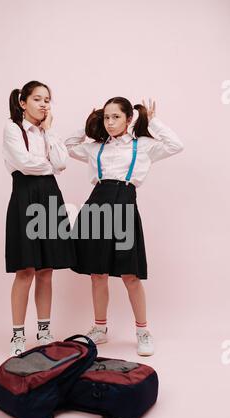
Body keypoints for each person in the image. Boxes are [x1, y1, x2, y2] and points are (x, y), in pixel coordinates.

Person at [65, 97, 184, 355]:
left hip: (125, 206)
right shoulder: (95, 148)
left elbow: (176, 145)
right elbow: (67, 146)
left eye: (115, 117)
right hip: (96, 206)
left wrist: (153, 121)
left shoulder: (143, 146)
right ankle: (100, 329)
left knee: (131, 275)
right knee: (98, 274)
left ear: (129, 119)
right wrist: (89, 122)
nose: (109, 122)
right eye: (106, 117)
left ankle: (142, 331)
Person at [3, 80, 76, 356]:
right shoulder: (13, 128)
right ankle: (17, 335)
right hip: (25, 196)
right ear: (23, 102)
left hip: (49, 195)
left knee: (46, 269)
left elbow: (61, 162)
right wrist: (49, 166)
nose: (44, 104)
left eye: (47, 99)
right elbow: (24, 164)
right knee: (26, 269)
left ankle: (44, 331)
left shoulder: (48, 132)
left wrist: (49, 133)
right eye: (37, 99)